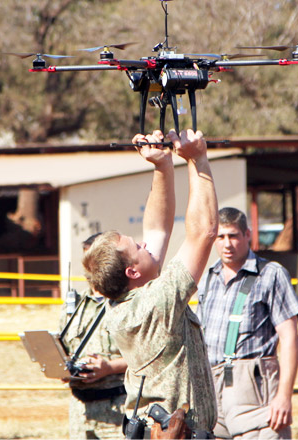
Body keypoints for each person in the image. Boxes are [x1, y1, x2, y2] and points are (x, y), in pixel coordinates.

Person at [82, 128, 219, 438]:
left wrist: (162, 166)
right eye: (137, 247)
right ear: (132, 271)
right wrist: (198, 159)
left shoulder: (124, 299)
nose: (145, 245)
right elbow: (204, 233)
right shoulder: (155, 302)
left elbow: (156, 229)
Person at [197, 207, 298, 439]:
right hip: (211, 388)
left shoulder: (271, 274)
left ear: (248, 235)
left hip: (253, 387)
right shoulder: (207, 278)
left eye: (233, 236)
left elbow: (289, 337)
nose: (227, 244)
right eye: (221, 237)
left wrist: (284, 395)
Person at [57, 233, 127, 439]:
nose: (90, 269)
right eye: (86, 260)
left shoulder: (127, 304)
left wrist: (109, 368)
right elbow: (64, 348)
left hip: (117, 410)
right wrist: (62, 367)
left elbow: (148, 357)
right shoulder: (75, 305)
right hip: (80, 411)